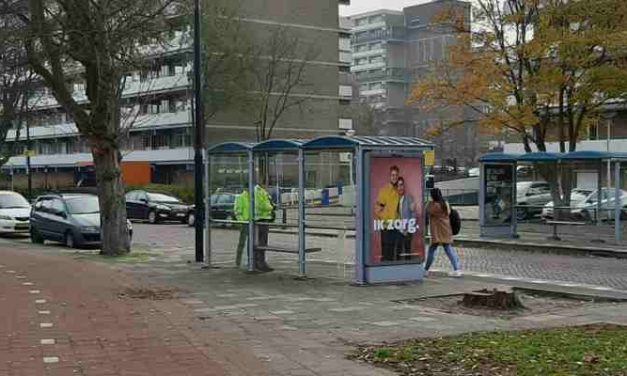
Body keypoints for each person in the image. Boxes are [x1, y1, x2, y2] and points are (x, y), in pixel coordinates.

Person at [424, 188, 461, 277]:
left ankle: (425, 269)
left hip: (437, 231)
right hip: (446, 229)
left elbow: (426, 209)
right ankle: (457, 269)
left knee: (432, 250)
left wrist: (428, 203)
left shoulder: (434, 206)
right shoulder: (445, 203)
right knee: (448, 248)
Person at [375, 165, 400, 262]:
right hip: (386, 226)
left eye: (396, 175)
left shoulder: (399, 190)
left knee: (395, 250)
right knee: (386, 251)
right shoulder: (384, 191)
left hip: (396, 226)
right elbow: (377, 209)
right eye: (392, 175)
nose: (394, 177)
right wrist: (386, 219)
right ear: (390, 176)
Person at [254, 183, 274, 272]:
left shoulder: (260, 191)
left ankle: (257, 262)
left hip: (260, 219)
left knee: (259, 243)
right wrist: (271, 207)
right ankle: (260, 263)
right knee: (261, 243)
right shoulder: (259, 192)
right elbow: (261, 205)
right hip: (261, 219)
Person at [395, 177, 416, 261]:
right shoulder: (394, 199)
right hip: (398, 229)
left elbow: (413, 214)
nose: (400, 187)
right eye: (398, 185)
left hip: (407, 229)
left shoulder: (409, 198)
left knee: (407, 250)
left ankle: (408, 267)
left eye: (401, 185)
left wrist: (408, 228)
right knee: (398, 250)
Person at [233, 190, 250, 267]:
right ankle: (238, 262)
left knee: (252, 243)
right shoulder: (240, 197)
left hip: (252, 222)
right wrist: (242, 221)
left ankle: (250, 261)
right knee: (242, 242)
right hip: (245, 222)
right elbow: (237, 211)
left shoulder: (253, 197)